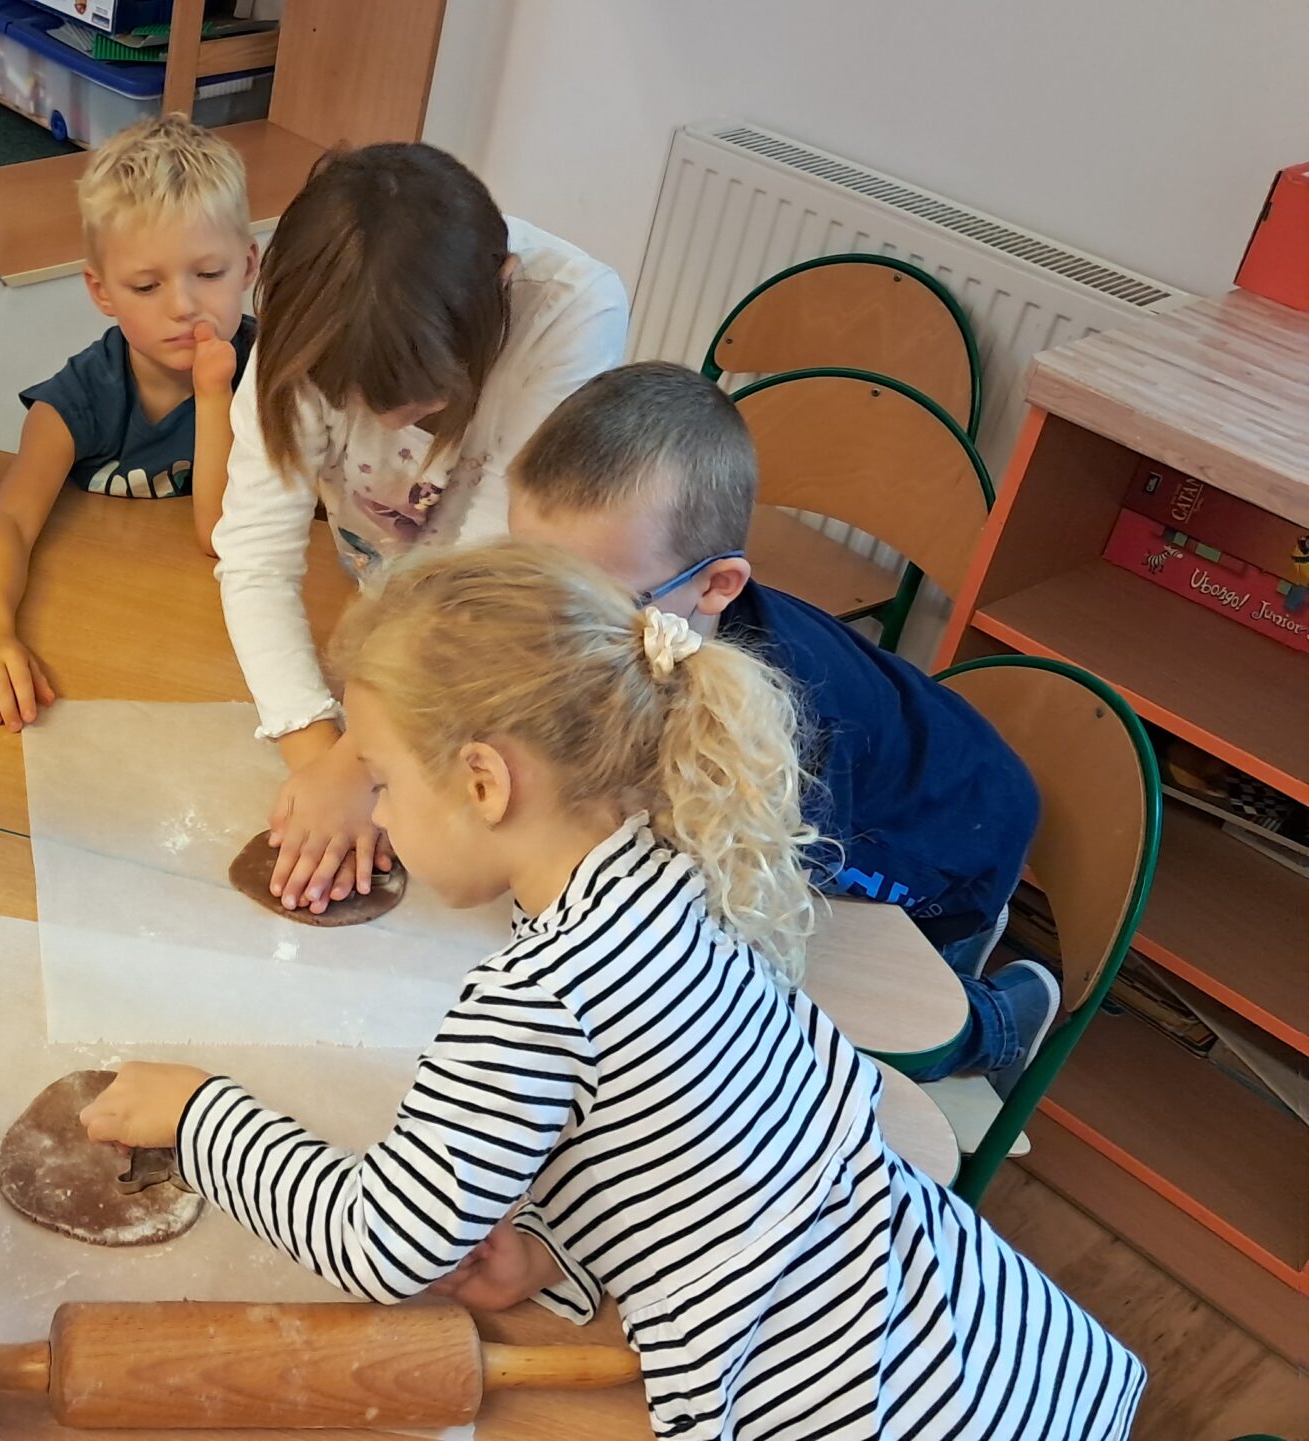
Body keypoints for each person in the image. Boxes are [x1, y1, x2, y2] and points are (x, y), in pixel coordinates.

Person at [81, 542, 1145, 1438]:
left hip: (857, 1409)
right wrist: (551, 1250)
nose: (382, 815)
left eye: (385, 781)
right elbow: (694, 1144)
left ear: (485, 782)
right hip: (990, 1344)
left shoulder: (537, 997)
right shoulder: (679, 871)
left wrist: (199, 1115)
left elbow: (384, 1244)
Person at [507, 362, 1051, 1090]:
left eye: (592, 604)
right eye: (527, 581)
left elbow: (758, 911)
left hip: (949, 838)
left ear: (716, 586)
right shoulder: (651, 607)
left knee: (802, 1023)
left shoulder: (782, 729)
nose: (551, 630)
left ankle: (995, 1020)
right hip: (888, 770)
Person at [214, 143, 627, 914]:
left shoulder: (574, 311)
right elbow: (255, 558)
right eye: (354, 401)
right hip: (391, 614)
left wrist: (362, 760)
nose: (384, 422)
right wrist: (318, 757)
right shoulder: (318, 319)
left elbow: (486, 578)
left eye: (423, 399)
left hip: (511, 628)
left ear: (501, 289)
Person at [0, 115, 258, 729]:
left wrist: (214, 395)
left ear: (248, 265)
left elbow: (221, 534)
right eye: (146, 286)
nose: (183, 305)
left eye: (209, 274)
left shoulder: (274, 378)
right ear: (102, 291)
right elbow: (9, 520)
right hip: (97, 631)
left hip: (219, 646)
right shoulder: (77, 400)